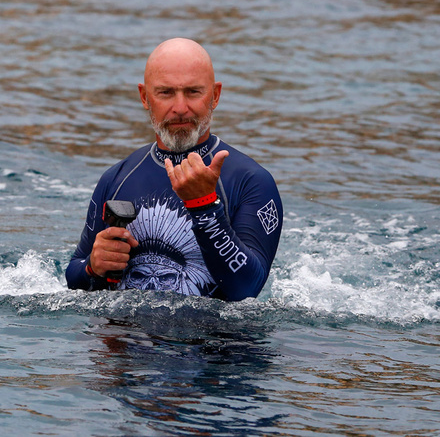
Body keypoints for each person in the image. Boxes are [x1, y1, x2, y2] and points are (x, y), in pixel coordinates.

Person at [65, 38, 282, 301]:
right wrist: (92, 266)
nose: (180, 108)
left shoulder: (252, 182)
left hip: (211, 340)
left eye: (193, 92)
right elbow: (74, 278)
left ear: (215, 95)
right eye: (166, 93)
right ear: (145, 97)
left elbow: (247, 289)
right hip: (131, 336)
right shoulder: (117, 179)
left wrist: (204, 206)